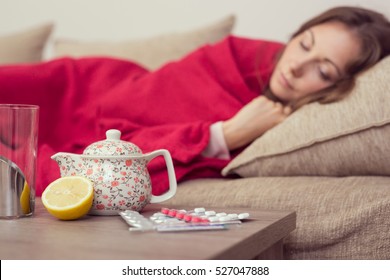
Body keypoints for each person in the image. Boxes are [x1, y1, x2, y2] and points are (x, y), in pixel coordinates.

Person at [1, 6, 389, 197]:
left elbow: (134, 154)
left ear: (338, 88)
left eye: (322, 72)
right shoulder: (239, 55)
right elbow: (132, 106)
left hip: (96, 132)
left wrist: (225, 135)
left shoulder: (298, 123)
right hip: (91, 88)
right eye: (304, 44)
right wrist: (224, 132)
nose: (296, 66)